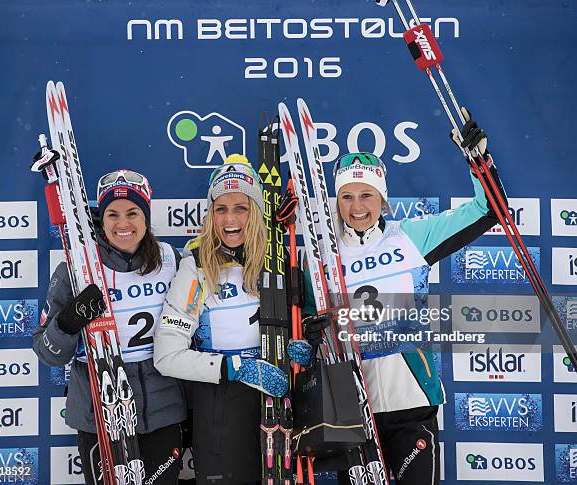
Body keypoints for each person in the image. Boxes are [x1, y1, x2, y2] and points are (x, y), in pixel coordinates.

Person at [303, 110, 506, 484]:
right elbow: (304, 323)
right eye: (347, 196)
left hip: (412, 401)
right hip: (352, 408)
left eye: (367, 195)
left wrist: (480, 163)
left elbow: (489, 210)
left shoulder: (410, 236)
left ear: (382, 197)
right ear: (336, 201)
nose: (357, 206)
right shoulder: (322, 256)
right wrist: (311, 334)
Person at [33, 169, 186, 485]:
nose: (123, 223)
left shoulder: (172, 261)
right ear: (101, 220)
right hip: (100, 416)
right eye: (112, 214)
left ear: (146, 216)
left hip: (163, 413)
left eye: (133, 212)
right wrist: (69, 322)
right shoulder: (76, 270)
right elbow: (47, 353)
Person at [154, 154, 295, 485]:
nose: (230, 219)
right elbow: (166, 357)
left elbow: (299, 333)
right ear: (211, 215)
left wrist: (301, 352)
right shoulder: (197, 269)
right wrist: (233, 367)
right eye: (221, 208)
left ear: (256, 213)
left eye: (241, 208)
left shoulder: (279, 264)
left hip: (280, 408)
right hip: (221, 413)